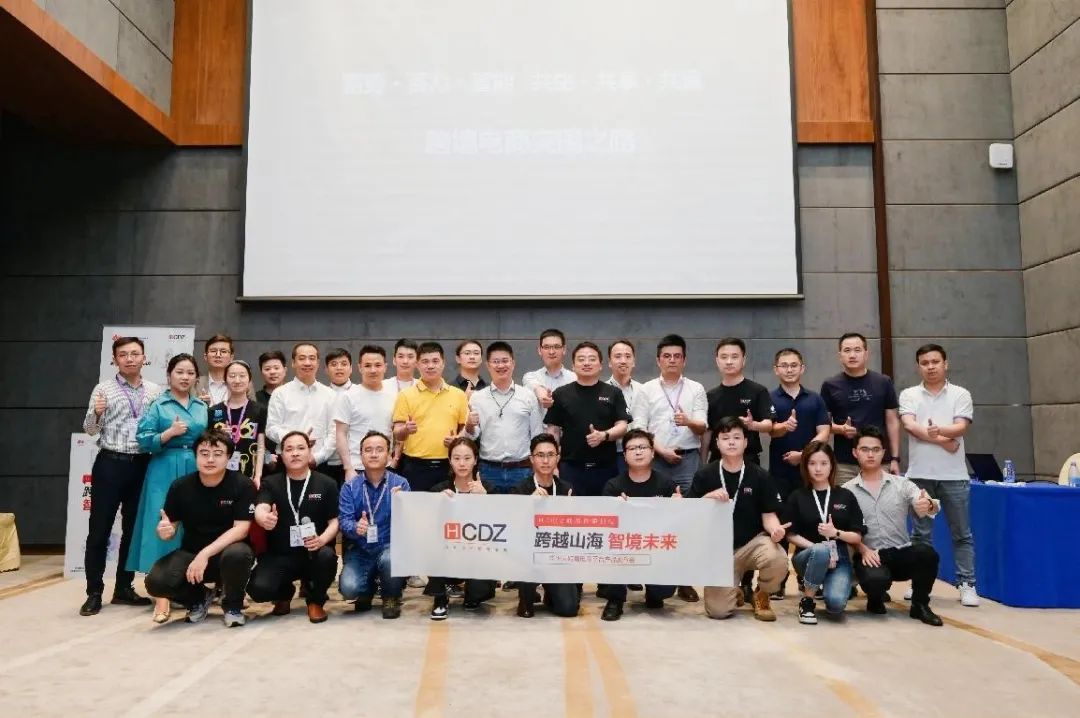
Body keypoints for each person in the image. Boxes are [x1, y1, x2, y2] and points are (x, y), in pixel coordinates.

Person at [78, 336, 163, 616]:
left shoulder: (154, 391)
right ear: (114, 359)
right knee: (99, 530)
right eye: (123, 354)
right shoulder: (103, 389)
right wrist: (96, 413)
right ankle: (94, 592)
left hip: (142, 465)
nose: (129, 358)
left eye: (135, 353)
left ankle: (123, 588)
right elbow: (90, 430)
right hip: (110, 464)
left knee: (132, 530)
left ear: (144, 358)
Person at [127, 353, 209, 623]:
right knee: (164, 523)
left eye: (190, 373)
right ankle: (161, 595)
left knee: (194, 525)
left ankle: (195, 586)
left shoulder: (202, 405)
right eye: (179, 372)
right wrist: (168, 434)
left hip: (197, 468)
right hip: (163, 468)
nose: (185, 377)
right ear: (169, 375)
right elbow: (143, 439)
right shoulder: (158, 405)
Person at [144, 429, 256, 627]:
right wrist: (164, 531)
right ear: (195, 456)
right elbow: (170, 528)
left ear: (228, 457)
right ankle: (198, 599)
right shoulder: (180, 486)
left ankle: (233, 606)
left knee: (239, 554)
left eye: (217, 454)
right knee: (156, 582)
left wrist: (205, 554)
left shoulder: (243, 485)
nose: (210, 459)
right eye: (204, 453)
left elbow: (241, 529)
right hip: (191, 553)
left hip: (228, 554)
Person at [629, 334, 708, 602]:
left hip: (687, 460)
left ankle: (684, 579)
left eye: (677, 356)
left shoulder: (696, 388)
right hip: (655, 461)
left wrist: (688, 421)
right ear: (658, 360)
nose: (672, 360)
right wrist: (660, 449)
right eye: (667, 356)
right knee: (653, 521)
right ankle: (652, 574)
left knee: (685, 522)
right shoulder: (646, 390)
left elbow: (702, 426)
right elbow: (638, 427)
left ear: (684, 360)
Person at [899, 344, 977, 607]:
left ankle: (967, 584)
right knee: (920, 535)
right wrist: (945, 441)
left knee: (961, 534)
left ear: (946, 364)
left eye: (935, 362)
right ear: (918, 366)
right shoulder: (909, 394)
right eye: (925, 363)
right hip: (919, 475)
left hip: (954, 476)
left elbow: (960, 427)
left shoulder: (960, 394)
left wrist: (938, 432)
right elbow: (910, 426)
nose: (930, 367)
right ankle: (919, 584)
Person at [690, 416, 789, 622]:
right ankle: (734, 591)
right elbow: (691, 514)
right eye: (725, 438)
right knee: (718, 612)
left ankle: (762, 593)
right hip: (719, 550)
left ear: (745, 442)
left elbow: (769, 515)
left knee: (777, 557)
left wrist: (775, 530)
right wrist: (707, 498)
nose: (731, 442)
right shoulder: (705, 475)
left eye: (737, 437)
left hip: (752, 543)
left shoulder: (760, 475)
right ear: (717, 443)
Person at [843, 426, 943, 626]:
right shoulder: (847, 491)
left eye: (876, 449)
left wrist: (928, 504)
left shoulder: (901, 484)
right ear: (855, 452)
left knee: (927, 554)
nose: (870, 454)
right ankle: (875, 598)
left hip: (900, 554)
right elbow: (844, 531)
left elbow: (928, 503)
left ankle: (920, 605)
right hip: (870, 556)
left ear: (883, 452)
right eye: (864, 449)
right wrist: (862, 549)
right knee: (875, 580)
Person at [248, 432, 339, 623]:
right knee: (258, 589)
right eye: (289, 449)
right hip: (280, 554)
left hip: (314, 552)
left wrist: (322, 540)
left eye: (300, 448)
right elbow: (261, 507)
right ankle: (284, 593)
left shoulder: (327, 483)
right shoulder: (271, 482)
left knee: (327, 557)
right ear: (282, 455)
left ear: (309, 452)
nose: (295, 453)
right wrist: (264, 518)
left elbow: (335, 521)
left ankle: (315, 601)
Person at [768, 347, 831, 598]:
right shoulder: (769, 398)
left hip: (810, 474)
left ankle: (810, 580)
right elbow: (769, 430)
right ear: (776, 370)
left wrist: (803, 455)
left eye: (794, 365)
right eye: (784, 365)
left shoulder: (815, 399)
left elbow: (824, 431)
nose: (789, 369)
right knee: (781, 525)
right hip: (779, 474)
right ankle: (779, 581)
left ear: (802, 368)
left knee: (810, 523)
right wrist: (784, 427)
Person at [599, 429, 680, 621]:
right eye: (632, 448)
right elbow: (604, 526)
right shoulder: (613, 486)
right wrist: (616, 509)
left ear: (652, 452)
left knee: (664, 590)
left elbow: (676, 524)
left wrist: (679, 506)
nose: (638, 452)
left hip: (655, 544)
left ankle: (653, 591)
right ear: (624, 455)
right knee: (611, 548)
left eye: (643, 447)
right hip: (624, 546)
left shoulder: (666, 484)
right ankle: (615, 599)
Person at [783, 442, 865, 624]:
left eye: (823, 463)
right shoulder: (797, 496)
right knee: (821, 551)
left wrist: (836, 533)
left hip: (839, 558)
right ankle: (807, 602)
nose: (818, 469)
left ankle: (829, 585)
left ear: (832, 465)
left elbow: (857, 536)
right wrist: (818, 549)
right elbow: (789, 534)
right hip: (806, 555)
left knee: (836, 605)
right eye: (812, 463)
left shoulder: (846, 496)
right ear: (805, 466)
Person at [338, 431, 411, 619]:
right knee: (348, 588)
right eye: (368, 450)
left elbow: (411, 524)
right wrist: (356, 528)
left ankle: (391, 596)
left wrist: (402, 504)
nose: (373, 454)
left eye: (379, 450)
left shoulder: (401, 484)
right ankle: (367, 589)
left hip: (389, 547)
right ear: (361, 455)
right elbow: (344, 521)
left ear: (389, 455)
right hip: (361, 549)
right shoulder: (350, 487)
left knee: (391, 559)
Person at [544, 341, 630, 496]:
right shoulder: (561, 394)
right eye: (581, 359)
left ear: (600, 365)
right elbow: (553, 431)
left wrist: (604, 435)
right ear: (573, 366)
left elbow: (623, 426)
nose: (586, 363)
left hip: (606, 468)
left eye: (592, 359)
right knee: (570, 509)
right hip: (570, 468)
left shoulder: (613, 393)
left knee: (608, 509)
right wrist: (553, 465)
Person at [509, 434, 580, 618]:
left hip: (557, 555)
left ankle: (551, 593)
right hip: (528, 556)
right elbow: (512, 528)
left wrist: (570, 515)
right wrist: (528, 506)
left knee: (569, 609)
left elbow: (577, 531)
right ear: (532, 459)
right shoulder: (520, 489)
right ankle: (526, 595)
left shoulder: (566, 488)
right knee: (526, 613)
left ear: (558, 457)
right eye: (540, 455)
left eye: (550, 455)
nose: (546, 460)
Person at [427, 437, 497, 619]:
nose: (462, 463)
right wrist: (438, 505)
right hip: (448, 551)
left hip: (477, 552)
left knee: (478, 592)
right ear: (450, 461)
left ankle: (471, 593)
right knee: (433, 549)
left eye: (467, 458)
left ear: (475, 460)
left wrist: (486, 499)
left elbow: (499, 527)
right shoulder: (440, 490)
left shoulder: (488, 489)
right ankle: (440, 598)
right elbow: (427, 527)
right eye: (457, 458)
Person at [821, 332, 901, 482]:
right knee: (845, 498)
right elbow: (823, 425)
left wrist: (895, 458)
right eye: (847, 350)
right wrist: (840, 429)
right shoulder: (830, 385)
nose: (852, 355)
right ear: (840, 355)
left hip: (880, 460)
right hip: (845, 465)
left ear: (866, 353)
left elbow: (892, 421)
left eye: (857, 350)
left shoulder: (883, 382)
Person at [466, 341, 544, 492]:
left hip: (522, 469)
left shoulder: (528, 396)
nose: (501, 365)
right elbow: (472, 435)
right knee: (486, 507)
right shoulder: (477, 397)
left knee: (524, 507)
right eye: (496, 362)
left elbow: (537, 435)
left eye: (505, 361)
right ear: (488, 365)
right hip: (488, 469)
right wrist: (469, 425)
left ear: (513, 363)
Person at [392, 342, 469, 492]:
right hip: (415, 466)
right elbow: (397, 433)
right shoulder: (405, 395)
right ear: (417, 365)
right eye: (425, 362)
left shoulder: (458, 395)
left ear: (443, 363)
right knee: (416, 506)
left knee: (448, 507)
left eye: (435, 361)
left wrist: (457, 439)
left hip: (449, 466)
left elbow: (465, 429)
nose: (430, 366)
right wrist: (406, 429)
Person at [266, 343, 336, 472]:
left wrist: (318, 458)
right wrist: (297, 439)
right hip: (287, 461)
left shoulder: (330, 394)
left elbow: (334, 432)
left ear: (318, 363)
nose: (307, 363)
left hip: (319, 463)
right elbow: (271, 428)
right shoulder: (280, 393)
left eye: (312, 358)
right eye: (302, 358)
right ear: (293, 363)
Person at [704, 338, 775, 464]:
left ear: (743, 360)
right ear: (717, 361)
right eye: (724, 357)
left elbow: (768, 424)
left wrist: (753, 425)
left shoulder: (758, 391)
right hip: (717, 461)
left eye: (734, 357)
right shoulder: (710, 396)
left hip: (748, 460)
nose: (729, 362)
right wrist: (702, 463)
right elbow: (707, 434)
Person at [334, 345, 397, 483]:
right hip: (357, 468)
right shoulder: (348, 396)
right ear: (360, 367)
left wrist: (394, 460)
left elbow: (396, 432)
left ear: (385, 367)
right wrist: (348, 468)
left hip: (386, 467)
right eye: (368, 365)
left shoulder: (394, 396)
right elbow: (340, 434)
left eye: (378, 365)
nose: (373, 370)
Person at [208, 360, 266, 485]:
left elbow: (261, 447)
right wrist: (218, 436)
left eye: (242, 376)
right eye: (232, 376)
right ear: (225, 380)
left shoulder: (259, 410)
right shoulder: (214, 411)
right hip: (219, 474)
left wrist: (258, 475)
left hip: (249, 474)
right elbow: (207, 444)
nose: (237, 380)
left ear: (249, 380)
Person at [319, 347, 355, 486]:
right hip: (325, 461)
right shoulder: (320, 394)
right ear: (326, 370)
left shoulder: (359, 393)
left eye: (344, 364)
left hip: (354, 461)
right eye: (334, 364)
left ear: (351, 368)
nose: (339, 368)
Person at [607, 339, 642, 473]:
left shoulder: (644, 390)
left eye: (628, 356)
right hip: (611, 454)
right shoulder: (601, 390)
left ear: (634, 361)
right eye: (618, 356)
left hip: (640, 454)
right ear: (609, 362)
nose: (623, 361)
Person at [522, 328, 577, 411]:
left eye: (556, 347)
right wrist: (541, 393)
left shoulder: (575, 379)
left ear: (564, 349)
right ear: (539, 350)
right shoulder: (530, 377)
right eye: (546, 347)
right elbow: (534, 386)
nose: (551, 352)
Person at [256, 349, 287, 471]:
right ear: (261, 372)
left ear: (285, 370)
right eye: (267, 369)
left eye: (276, 368)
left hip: (292, 455)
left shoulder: (294, 396)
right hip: (262, 461)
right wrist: (266, 457)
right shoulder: (254, 399)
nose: (272, 372)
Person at [196, 334, 234, 406]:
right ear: (205, 356)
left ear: (231, 358)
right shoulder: (195, 383)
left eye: (223, 351)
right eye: (213, 351)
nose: (218, 355)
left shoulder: (241, 383)